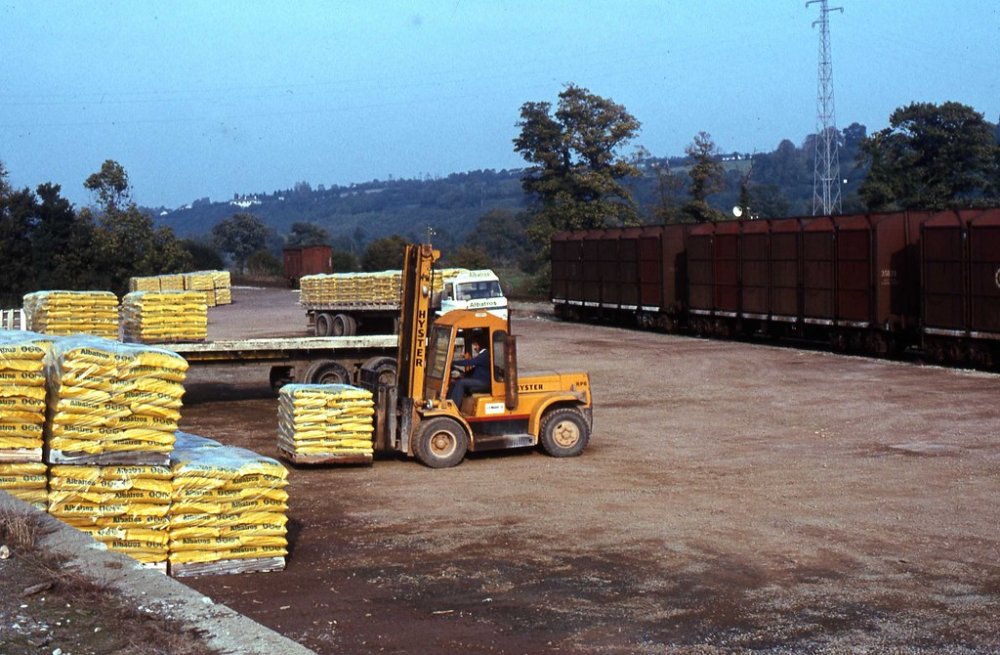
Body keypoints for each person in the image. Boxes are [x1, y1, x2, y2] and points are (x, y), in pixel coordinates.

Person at [448, 341, 490, 408]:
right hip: (478, 379)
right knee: (454, 382)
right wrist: (464, 374)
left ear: (480, 346)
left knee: (461, 383)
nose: (475, 348)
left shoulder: (484, 355)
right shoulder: (482, 355)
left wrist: (452, 362)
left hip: (483, 382)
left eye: (476, 346)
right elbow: (477, 368)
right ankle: (448, 402)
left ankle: (454, 407)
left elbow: (470, 362)